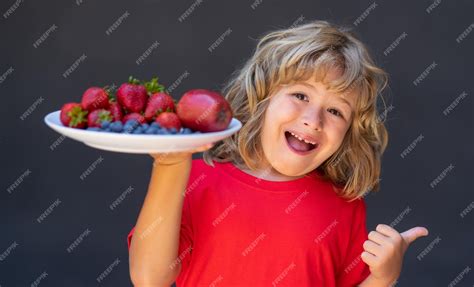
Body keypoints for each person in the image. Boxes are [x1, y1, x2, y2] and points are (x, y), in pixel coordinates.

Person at [127, 20, 429, 287]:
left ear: (349, 132)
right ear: (262, 99)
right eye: (300, 95)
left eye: (336, 110)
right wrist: (170, 165)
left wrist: (382, 278)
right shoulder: (194, 180)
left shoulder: (344, 206)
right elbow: (150, 279)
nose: (313, 119)